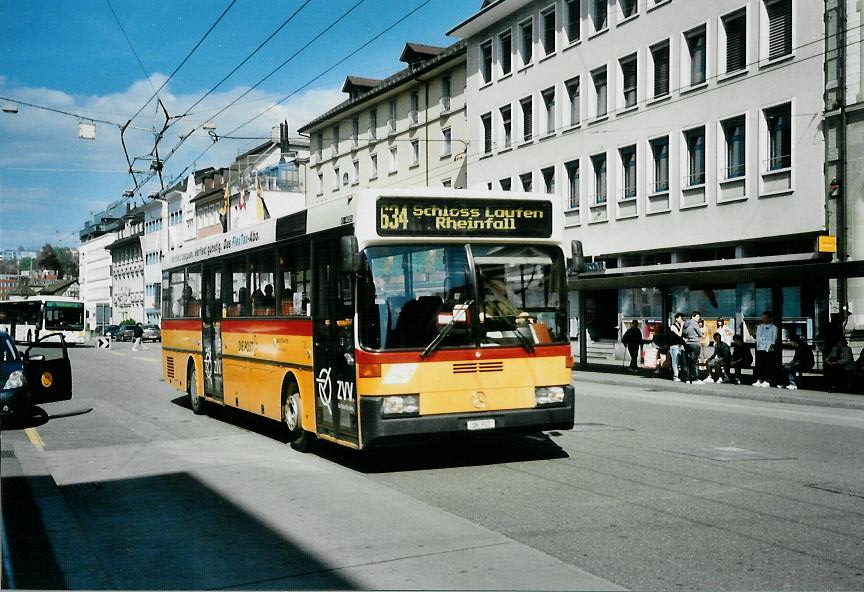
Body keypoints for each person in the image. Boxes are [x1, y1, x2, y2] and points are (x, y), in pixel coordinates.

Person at [754, 310, 778, 387]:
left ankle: (767, 380)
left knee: (768, 366)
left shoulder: (773, 327)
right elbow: (757, 337)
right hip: (760, 348)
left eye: (766, 318)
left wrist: (770, 348)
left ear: (769, 318)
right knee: (759, 365)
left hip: (768, 349)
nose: (764, 319)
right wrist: (758, 347)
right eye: (763, 318)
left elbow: (773, 339)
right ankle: (759, 380)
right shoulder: (759, 327)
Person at [681, 311, 703, 383]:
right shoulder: (694, 323)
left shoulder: (686, 323)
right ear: (693, 317)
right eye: (697, 317)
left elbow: (683, 333)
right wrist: (702, 334)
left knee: (688, 361)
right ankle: (695, 378)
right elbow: (699, 333)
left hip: (688, 344)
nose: (698, 318)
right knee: (694, 362)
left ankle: (688, 378)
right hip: (695, 343)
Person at [669, 313, 685, 382]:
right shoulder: (673, 326)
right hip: (674, 346)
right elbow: (679, 334)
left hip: (680, 345)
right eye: (680, 318)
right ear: (676, 318)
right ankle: (675, 376)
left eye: (682, 318)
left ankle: (680, 375)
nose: (682, 320)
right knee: (675, 361)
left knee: (681, 361)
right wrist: (681, 326)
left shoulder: (680, 326)